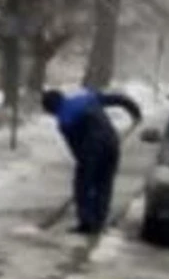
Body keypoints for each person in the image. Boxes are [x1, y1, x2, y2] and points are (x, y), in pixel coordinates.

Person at [41, 86, 143, 234]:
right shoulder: (87, 98)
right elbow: (118, 99)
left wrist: (85, 166)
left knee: (82, 185)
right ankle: (99, 222)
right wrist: (135, 112)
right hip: (111, 143)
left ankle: (87, 223)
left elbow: (76, 148)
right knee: (104, 183)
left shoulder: (64, 120)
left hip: (91, 148)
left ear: (51, 109)